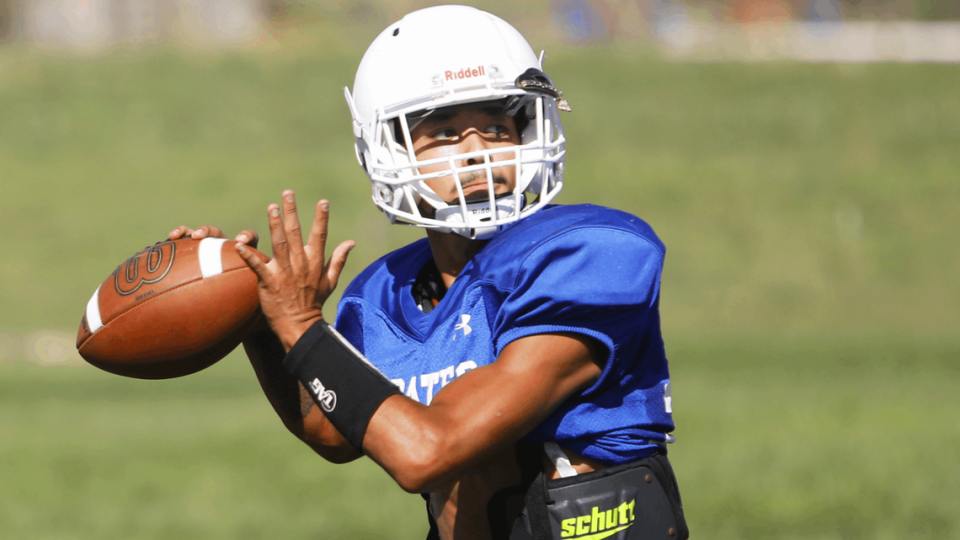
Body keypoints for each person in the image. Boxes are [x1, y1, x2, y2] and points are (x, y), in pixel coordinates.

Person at [170, 6, 687, 539]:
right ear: (388, 150)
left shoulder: (588, 254)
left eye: (496, 127)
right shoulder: (384, 293)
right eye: (442, 133)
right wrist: (263, 322)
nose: (476, 153)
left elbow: (427, 452)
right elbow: (336, 429)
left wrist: (302, 326)